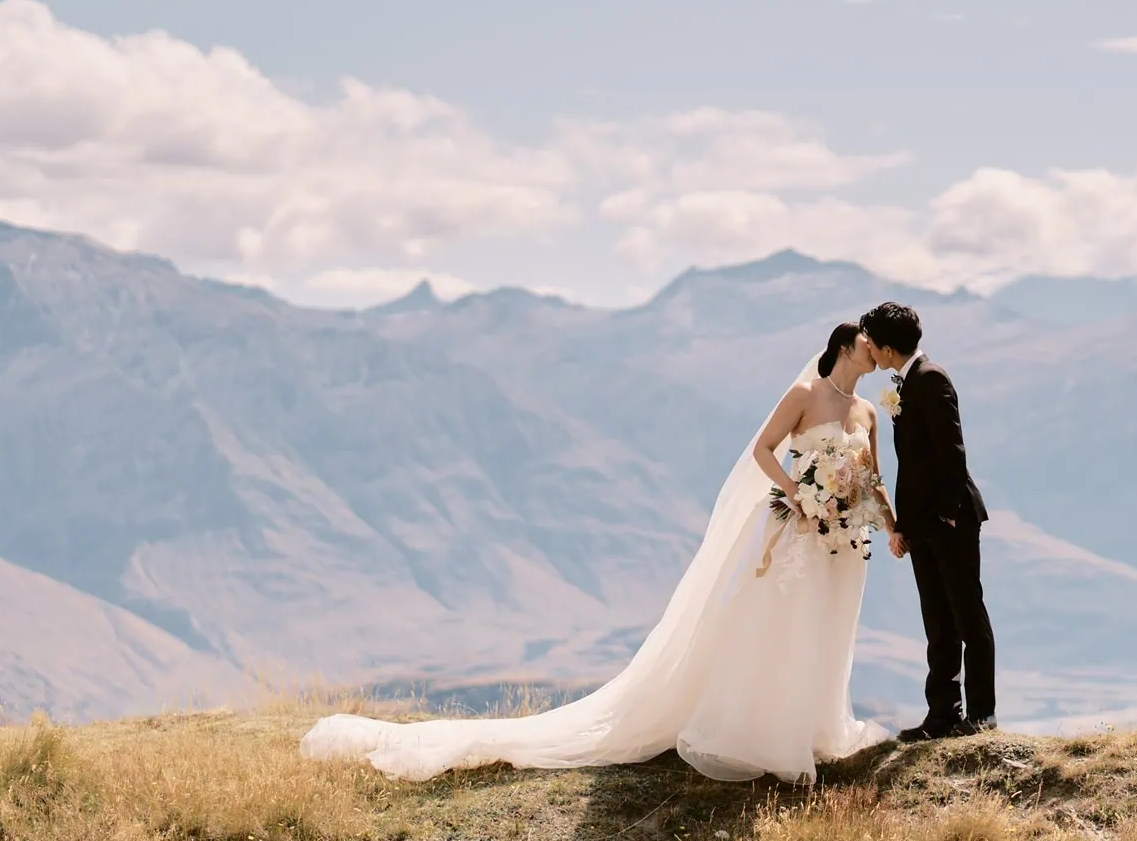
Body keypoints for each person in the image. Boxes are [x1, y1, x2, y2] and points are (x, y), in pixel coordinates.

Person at [299, 322, 895, 783]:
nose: (877, 358)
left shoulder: (868, 412)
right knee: (780, 626)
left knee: (824, 628)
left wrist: (887, 526)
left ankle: (816, 727)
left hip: (843, 542)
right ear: (850, 346)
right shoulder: (803, 393)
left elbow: (871, 479)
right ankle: (765, 732)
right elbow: (765, 452)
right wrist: (799, 492)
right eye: (872, 348)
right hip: (796, 535)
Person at [859, 300, 996, 739]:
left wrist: (946, 516)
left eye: (873, 345)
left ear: (885, 347)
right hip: (923, 525)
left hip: (951, 520)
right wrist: (905, 526)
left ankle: (981, 716)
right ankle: (942, 716)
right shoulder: (909, 382)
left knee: (967, 617)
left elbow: (952, 455)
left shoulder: (931, 379)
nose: (870, 353)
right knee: (937, 622)